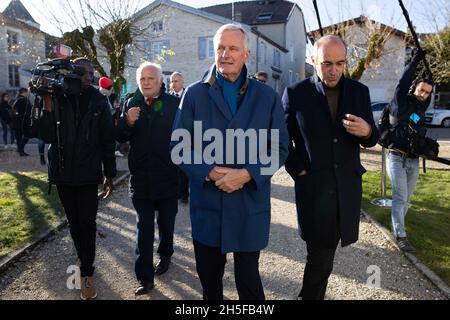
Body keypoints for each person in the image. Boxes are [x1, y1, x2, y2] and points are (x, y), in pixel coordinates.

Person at [171, 24, 289, 300]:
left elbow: (280, 147)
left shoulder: (267, 97)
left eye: (233, 48)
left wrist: (247, 174)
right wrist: (209, 172)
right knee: (210, 285)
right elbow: (178, 145)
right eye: (220, 48)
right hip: (208, 206)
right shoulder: (194, 94)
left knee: (249, 284)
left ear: (246, 54)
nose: (226, 54)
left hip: (249, 205)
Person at [282, 35, 379, 300]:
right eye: (326, 63)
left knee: (325, 252)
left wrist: (367, 130)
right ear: (313, 61)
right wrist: (299, 170)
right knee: (321, 253)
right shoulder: (295, 93)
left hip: (346, 190)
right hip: (314, 189)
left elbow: (373, 137)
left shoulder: (360, 92)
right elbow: (280, 139)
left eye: (340, 63)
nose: (333, 70)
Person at [39, 57, 117, 300]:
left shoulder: (98, 100)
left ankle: (87, 273)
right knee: (74, 224)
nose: (88, 76)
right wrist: (48, 104)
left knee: (88, 223)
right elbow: (45, 134)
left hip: (87, 173)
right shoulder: (58, 96)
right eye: (83, 72)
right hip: (62, 174)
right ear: (72, 73)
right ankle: (83, 256)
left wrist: (110, 174)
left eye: (91, 72)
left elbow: (107, 139)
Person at [116, 62, 180, 296]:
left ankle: (165, 255)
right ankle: (145, 277)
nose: (146, 82)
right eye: (142, 79)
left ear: (161, 81)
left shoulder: (174, 105)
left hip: (167, 178)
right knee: (144, 228)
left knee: (166, 223)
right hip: (141, 179)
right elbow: (120, 136)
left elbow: (185, 136)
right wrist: (127, 122)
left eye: (151, 78)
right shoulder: (131, 103)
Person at [385, 50, 434, 253]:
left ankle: (398, 226)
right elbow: (403, 82)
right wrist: (414, 63)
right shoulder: (401, 103)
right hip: (396, 156)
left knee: (407, 199)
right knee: (400, 197)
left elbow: (418, 128)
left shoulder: (421, 110)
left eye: (427, 92)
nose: (423, 95)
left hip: (412, 161)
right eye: (421, 90)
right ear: (414, 88)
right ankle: (401, 236)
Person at [169, 72, 189, 203]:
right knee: (173, 166)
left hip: (186, 136)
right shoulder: (168, 98)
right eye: (171, 81)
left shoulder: (188, 96)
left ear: (182, 82)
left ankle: (184, 194)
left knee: (184, 167)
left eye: (176, 81)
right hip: (171, 137)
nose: (173, 84)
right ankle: (176, 192)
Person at [98, 77, 124, 158]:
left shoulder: (110, 95)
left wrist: (116, 108)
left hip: (110, 122)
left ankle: (114, 151)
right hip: (102, 124)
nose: (112, 88)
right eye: (111, 86)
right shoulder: (99, 96)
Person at [10, 88, 30, 156]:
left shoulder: (15, 100)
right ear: (24, 92)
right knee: (27, 136)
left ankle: (21, 151)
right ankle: (20, 150)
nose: (27, 94)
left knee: (19, 138)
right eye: (27, 92)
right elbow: (28, 112)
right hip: (22, 122)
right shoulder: (24, 100)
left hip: (15, 122)